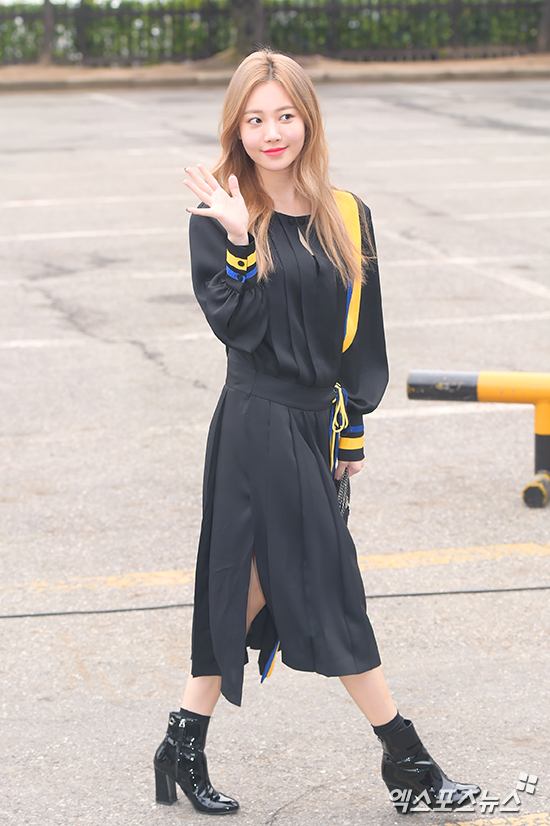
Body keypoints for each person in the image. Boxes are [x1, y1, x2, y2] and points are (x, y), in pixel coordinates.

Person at [153, 49, 480, 816]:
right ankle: (408, 761)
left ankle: (181, 742)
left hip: (315, 424)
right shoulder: (219, 211)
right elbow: (236, 326)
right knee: (330, 584)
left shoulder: (347, 212)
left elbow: (359, 335)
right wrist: (241, 240)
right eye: (255, 119)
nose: (271, 133)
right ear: (236, 127)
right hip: (256, 422)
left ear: (309, 118)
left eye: (285, 116)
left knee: (250, 586)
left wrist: (351, 430)